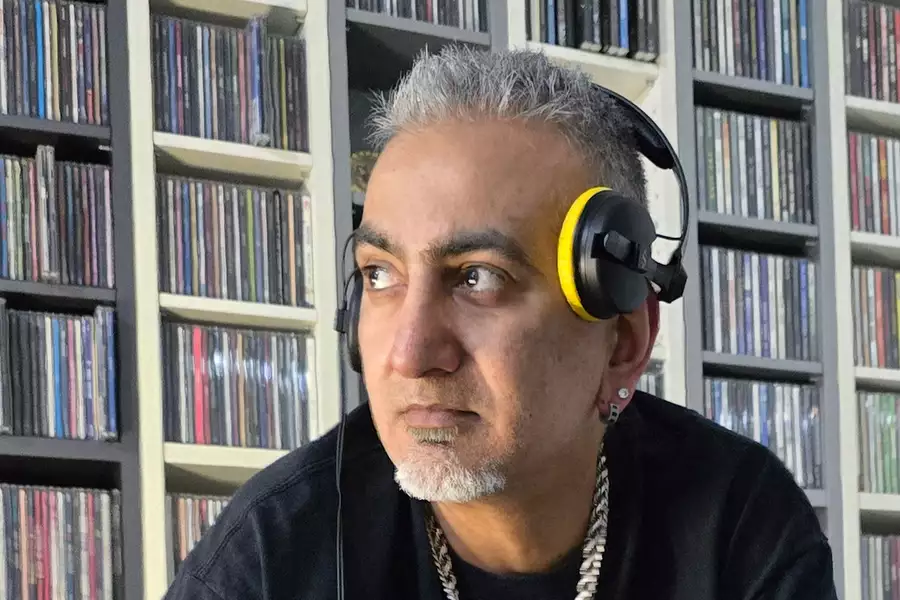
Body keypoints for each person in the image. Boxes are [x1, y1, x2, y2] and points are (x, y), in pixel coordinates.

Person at [163, 47, 838, 600]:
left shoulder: (740, 524)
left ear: (623, 343)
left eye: (477, 277)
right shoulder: (270, 556)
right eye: (379, 275)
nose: (408, 352)